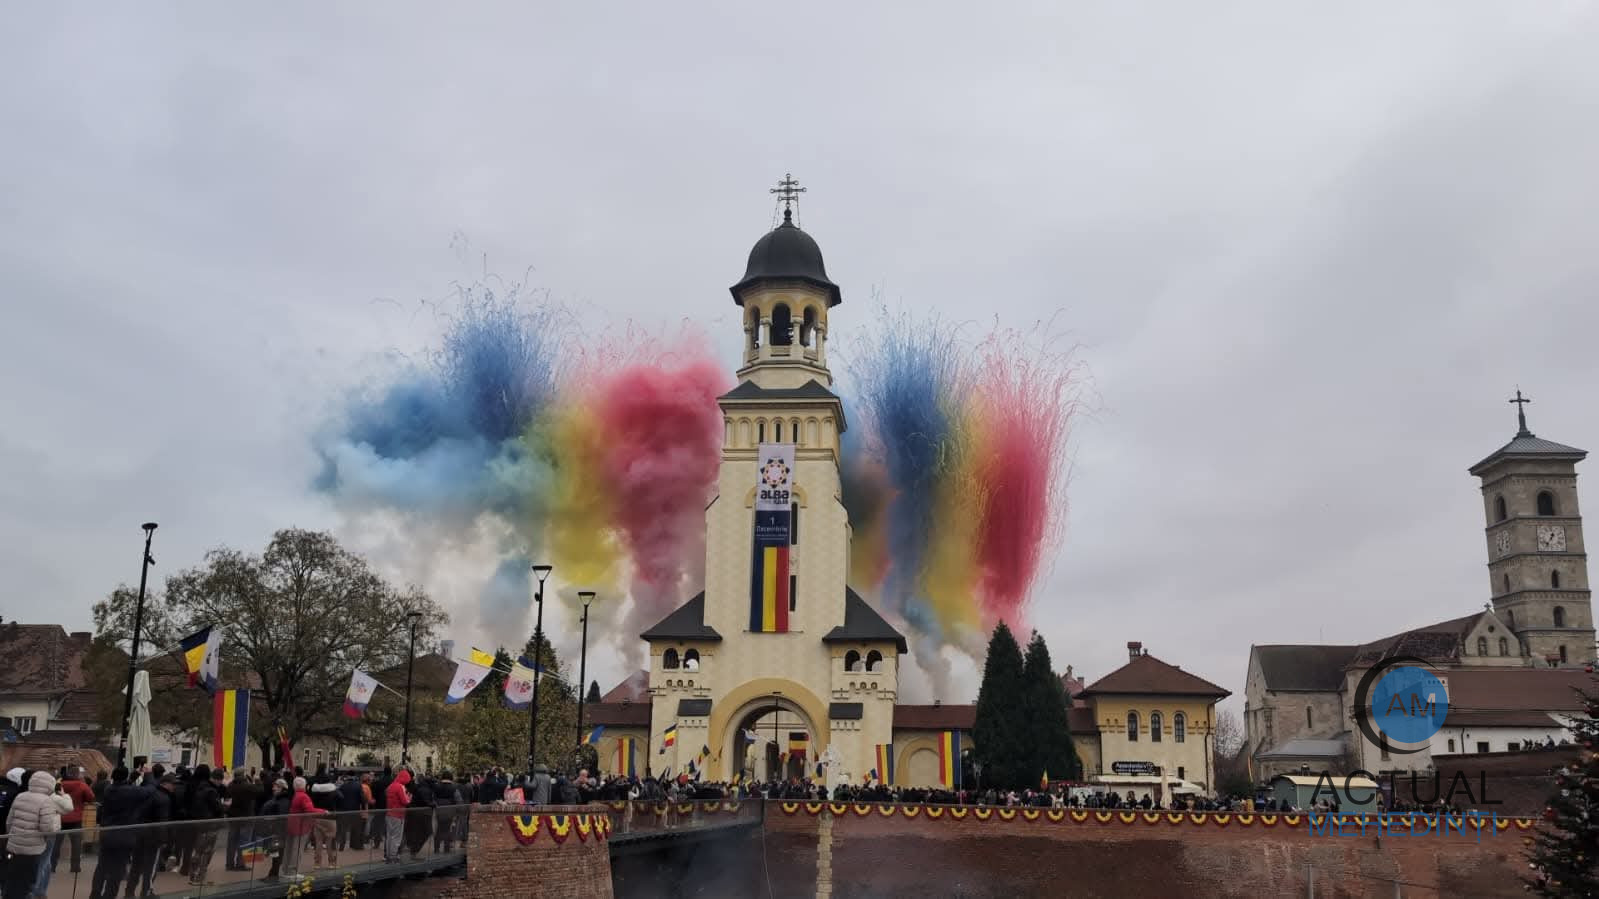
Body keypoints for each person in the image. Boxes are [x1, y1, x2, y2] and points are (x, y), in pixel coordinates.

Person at [88, 767, 146, 899]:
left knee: (102, 866)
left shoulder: (109, 789)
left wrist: (132, 778)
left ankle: (95, 894)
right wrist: (147, 775)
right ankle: (109, 895)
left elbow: (122, 787)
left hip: (107, 833)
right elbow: (148, 790)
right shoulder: (131, 791)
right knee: (117, 870)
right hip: (124, 835)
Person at [3, 771, 61, 899]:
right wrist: (55, 827)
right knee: (27, 881)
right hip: (32, 849)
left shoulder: (20, 796)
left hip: (14, 846)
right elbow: (47, 828)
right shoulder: (47, 801)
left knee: (12, 879)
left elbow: (9, 822)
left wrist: (12, 837)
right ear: (49, 785)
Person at [127, 774, 175, 899]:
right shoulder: (164, 798)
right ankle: (146, 892)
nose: (174, 787)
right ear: (165, 784)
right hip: (153, 837)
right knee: (151, 866)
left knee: (136, 865)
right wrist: (163, 839)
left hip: (139, 833)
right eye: (172, 784)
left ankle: (129, 892)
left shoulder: (148, 794)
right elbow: (162, 821)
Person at [185, 766, 226, 885]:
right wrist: (225, 806)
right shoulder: (212, 791)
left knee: (198, 851)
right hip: (210, 824)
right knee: (207, 852)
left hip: (200, 823)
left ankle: (192, 876)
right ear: (218, 779)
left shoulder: (201, 788)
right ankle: (199, 878)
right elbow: (218, 808)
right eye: (221, 780)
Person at [52, 766, 94, 875]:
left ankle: (52, 866)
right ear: (77, 774)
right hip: (76, 818)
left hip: (60, 817)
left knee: (56, 844)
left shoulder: (59, 785)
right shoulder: (82, 785)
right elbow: (90, 797)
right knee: (76, 844)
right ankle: (75, 867)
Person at [282, 778, 325, 877]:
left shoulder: (295, 795)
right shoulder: (304, 796)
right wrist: (323, 811)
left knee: (289, 848)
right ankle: (292, 872)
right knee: (297, 850)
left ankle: (286, 870)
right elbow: (310, 810)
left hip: (292, 824)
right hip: (300, 826)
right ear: (304, 786)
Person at [224, 769, 259, 870]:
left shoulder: (230, 786)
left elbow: (227, 799)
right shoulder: (248, 786)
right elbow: (259, 791)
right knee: (245, 841)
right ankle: (241, 863)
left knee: (231, 841)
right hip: (246, 816)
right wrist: (255, 781)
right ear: (243, 775)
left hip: (233, 817)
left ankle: (229, 864)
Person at [383, 769, 411, 862]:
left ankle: (388, 856)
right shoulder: (400, 787)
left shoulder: (391, 786)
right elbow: (405, 801)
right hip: (398, 814)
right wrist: (409, 798)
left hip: (389, 813)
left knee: (389, 836)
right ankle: (393, 856)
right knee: (396, 837)